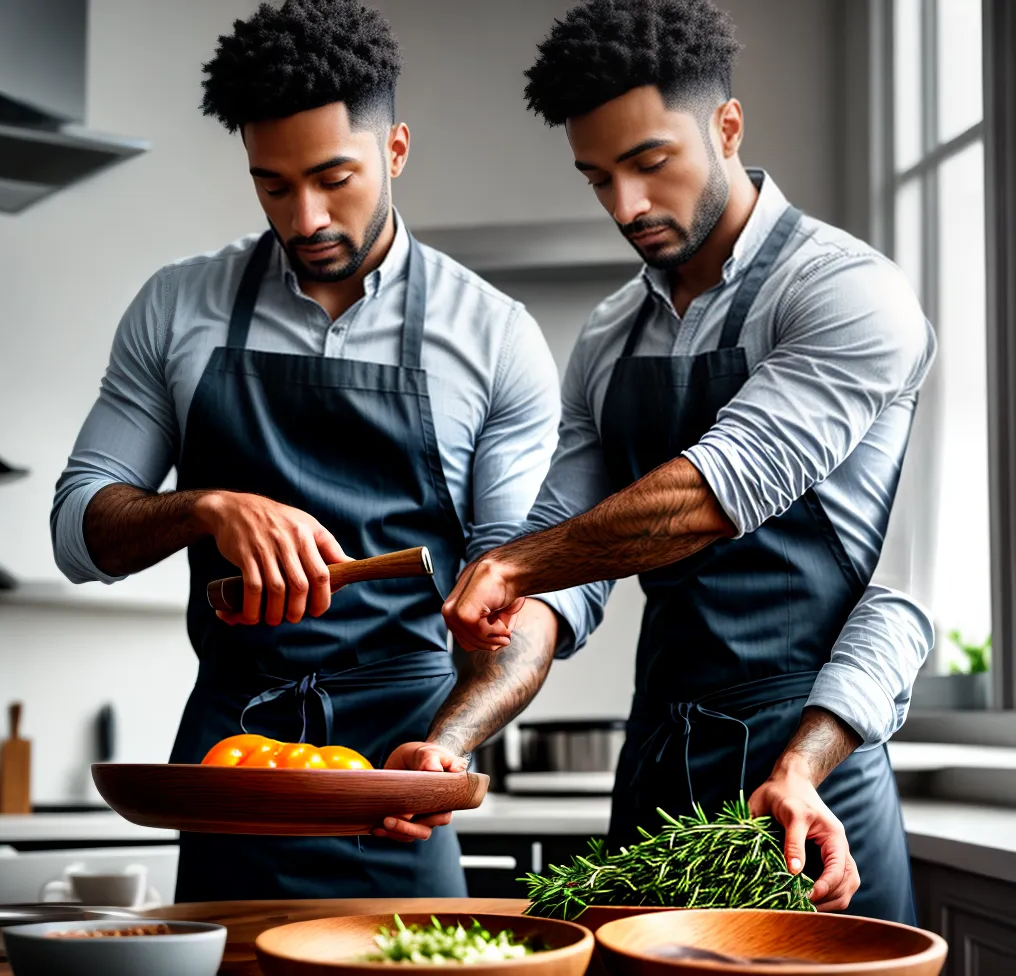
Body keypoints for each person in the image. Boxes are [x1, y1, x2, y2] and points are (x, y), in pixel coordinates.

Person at [50, 0, 564, 901]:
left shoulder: (493, 337)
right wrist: (204, 505)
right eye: (273, 184)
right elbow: (76, 531)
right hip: (231, 765)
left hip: (399, 771)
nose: (308, 216)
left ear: (395, 150)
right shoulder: (178, 308)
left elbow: (515, 591)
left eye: (336, 177)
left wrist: (447, 746)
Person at [439, 0, 936, 922]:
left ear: (728, 126)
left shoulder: (845, 291)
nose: (625, 206)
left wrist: (515, 562)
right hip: (657, 764)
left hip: (804, 785)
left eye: (648, 163)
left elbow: (719, 492)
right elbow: (559, 582)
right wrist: (455, 738)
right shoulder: (606, 336)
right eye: (597, 178)